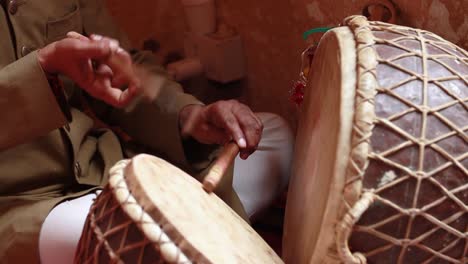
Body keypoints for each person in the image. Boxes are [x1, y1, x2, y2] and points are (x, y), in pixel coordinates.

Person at [0, 0, 294, 263]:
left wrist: (189, 115)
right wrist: (43, 66)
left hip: (100, 166)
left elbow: (123, 65)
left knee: (272, 133)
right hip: (16, 204)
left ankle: (181, 229)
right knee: (118, 229)